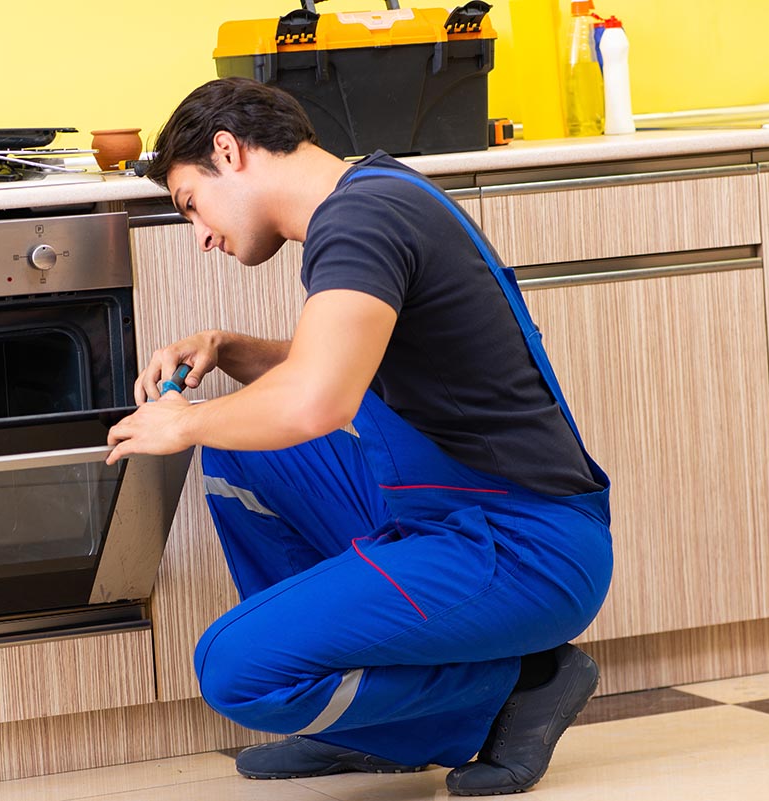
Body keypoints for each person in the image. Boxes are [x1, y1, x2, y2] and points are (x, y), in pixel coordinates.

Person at [105, 77, 613, 796]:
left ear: (229, 150)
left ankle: (526, 678)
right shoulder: (375, 192)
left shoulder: (361, 220)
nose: (203, 237)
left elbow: (317, 399)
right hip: (458, 518)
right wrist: (228, 346)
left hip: (524, 543)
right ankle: (360, 728)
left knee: (233, 667)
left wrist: (180, 419)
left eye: (193, 204)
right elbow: (343, 359)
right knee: (235, 446)